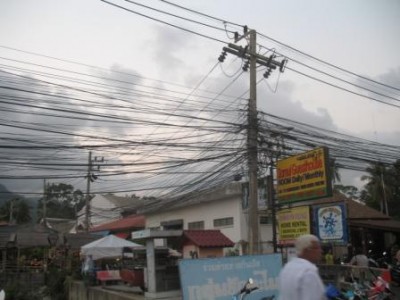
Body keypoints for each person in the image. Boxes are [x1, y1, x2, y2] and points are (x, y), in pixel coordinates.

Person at [278, 234, 327, 300]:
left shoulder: (287, 267)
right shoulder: (308, 272)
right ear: (306, 250)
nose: (321, 251)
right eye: (317, 248)